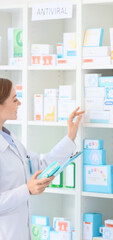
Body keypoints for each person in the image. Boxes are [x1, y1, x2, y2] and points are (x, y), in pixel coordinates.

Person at [0, 78, 84, 240]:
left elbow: (41, 167)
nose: (20, 103)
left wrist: (70, 137)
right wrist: (27, 190)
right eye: (14, 99)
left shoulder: (11, 139)